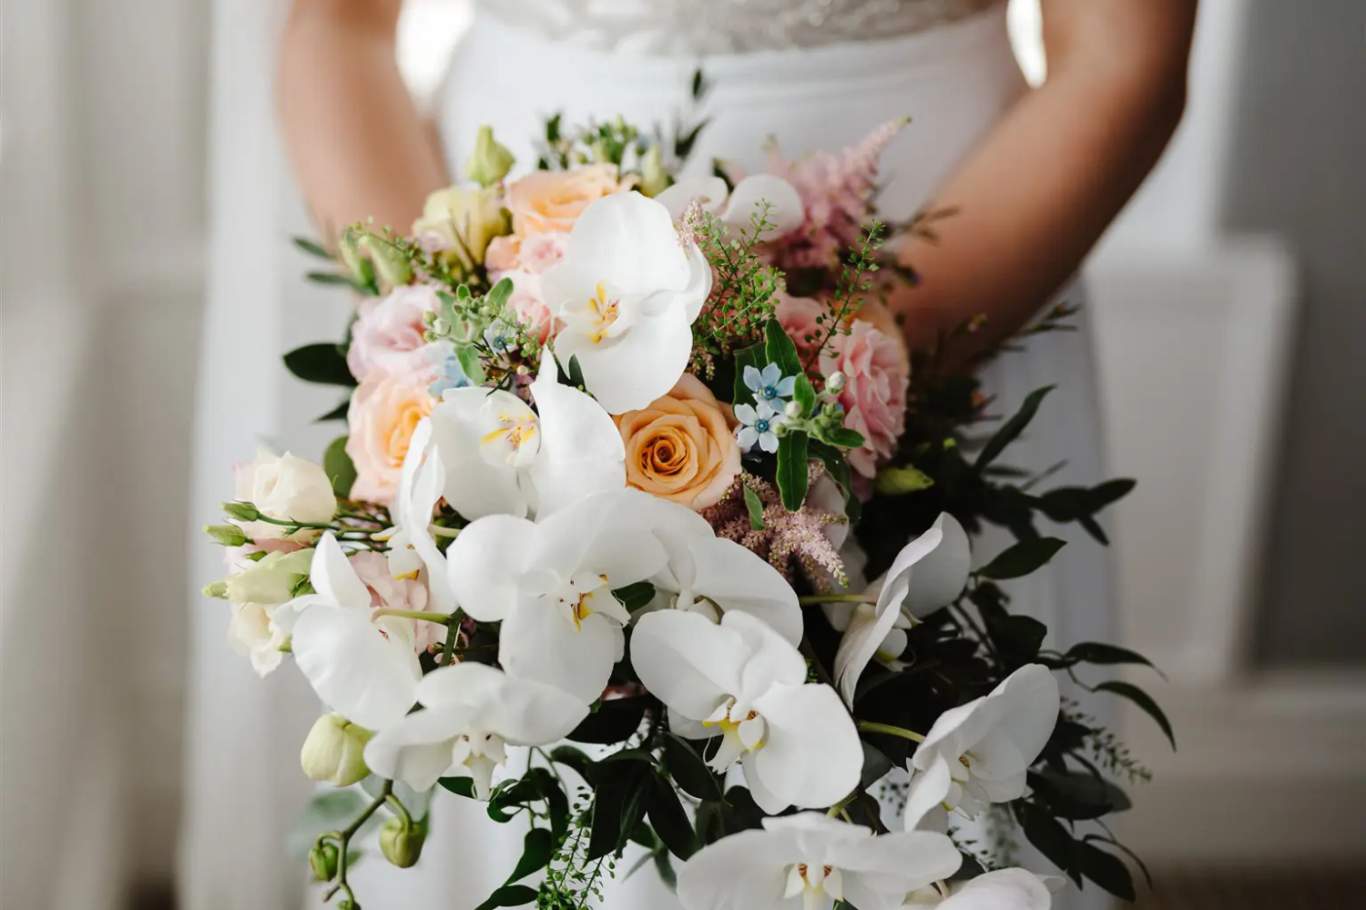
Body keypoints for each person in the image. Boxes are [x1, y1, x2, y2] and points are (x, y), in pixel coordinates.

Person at [183, 2, 1195, 909]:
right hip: (508, 280)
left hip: (952, 252)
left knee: (901, 766)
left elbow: (1119, 52)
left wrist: (838, 373)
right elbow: (334, 25)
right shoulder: (482, 350)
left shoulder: (862, 356)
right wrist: (456, 344)